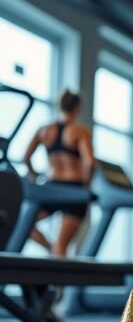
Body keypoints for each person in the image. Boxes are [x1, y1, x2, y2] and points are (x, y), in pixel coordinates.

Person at [22, 90, 94, 257]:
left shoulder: (44, 130)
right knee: (62, 246)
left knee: (25, 226)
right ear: (77, 108)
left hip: (51, 186)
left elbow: (26, 157)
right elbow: (89, 162)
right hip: (74, 189)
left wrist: (33, 175)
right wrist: (86, 185)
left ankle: (50, 248)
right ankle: (55, 255)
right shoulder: (80, 131)